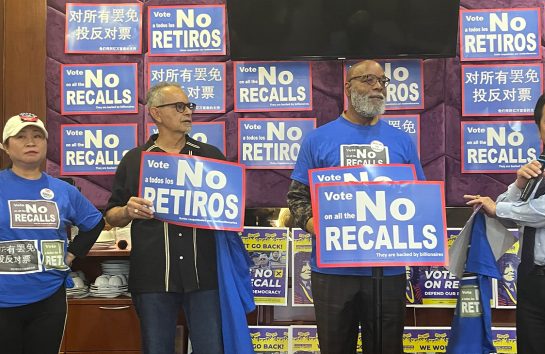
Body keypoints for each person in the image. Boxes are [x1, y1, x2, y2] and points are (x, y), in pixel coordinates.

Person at [287, 60, 425, 354]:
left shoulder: (402, 141)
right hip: (333, 271)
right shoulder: (317, 139)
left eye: (381, 81)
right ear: (347, 88)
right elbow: (297, 199)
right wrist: (317, 228)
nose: (377, 86)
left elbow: (417, 198)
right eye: (367, 80)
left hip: (387, 273)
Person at [105, 82, 254, 354]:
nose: (188, 112)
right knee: (156, 348)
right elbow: (112, 215)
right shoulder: (135, 160)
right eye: (179, 106)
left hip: (205, 276)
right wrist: (126, 211)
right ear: (156, 113)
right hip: (153, 278)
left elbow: (233, 210)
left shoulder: (210, 157)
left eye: (189, 106)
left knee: (212, 348)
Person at [465, 90, 545, 354]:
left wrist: (499, 208)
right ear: (540, 129)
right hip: (532, 281)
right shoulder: (543, 164)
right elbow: (510, 208)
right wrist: (519, 185)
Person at [0, 113, 104, 354]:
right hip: (4, 297)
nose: (30, 142)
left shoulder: (62, 190)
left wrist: (70, 256)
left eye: (38, 136)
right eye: (20, 136)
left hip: (48, 296)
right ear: (5, 146)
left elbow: (95, 223)